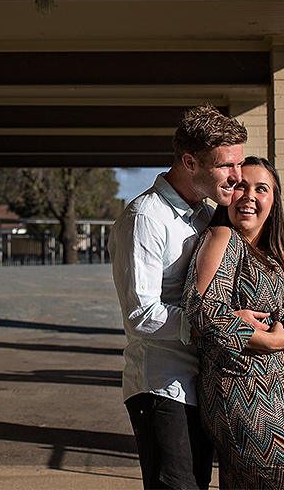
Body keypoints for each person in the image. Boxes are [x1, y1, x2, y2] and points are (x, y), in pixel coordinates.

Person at [109, 104, 251, 490]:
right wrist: (217, 326)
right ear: (190, 161)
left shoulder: (206, 217)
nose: (237, 178)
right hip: (162, 386)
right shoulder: (145, 218)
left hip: (204, 384)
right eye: (226, 166)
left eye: (239, 165)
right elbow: (141, 314)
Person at [184, 156, 284, 490]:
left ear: (273, 201)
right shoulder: (222, 237)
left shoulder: (275, 255)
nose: (250, 196)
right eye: (242, 185)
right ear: (228, 192)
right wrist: (270, 341)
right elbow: (199, 309)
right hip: (243, 392)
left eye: (262, 189)